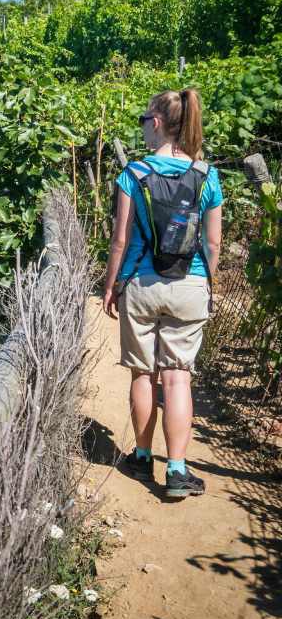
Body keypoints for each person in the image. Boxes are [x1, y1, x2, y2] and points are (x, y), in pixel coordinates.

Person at [102, 88, 222, 498]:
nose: (142, 128)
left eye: (144, 120)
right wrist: (209, 281)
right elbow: (214, 243)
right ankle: (176, 470)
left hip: (140, 283)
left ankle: (140, 456)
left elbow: (119, 240)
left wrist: (110, 285)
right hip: (190, 284)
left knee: (142, 373)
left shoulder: (132, 175)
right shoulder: (208, 175)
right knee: (177, 379)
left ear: (156, 123)